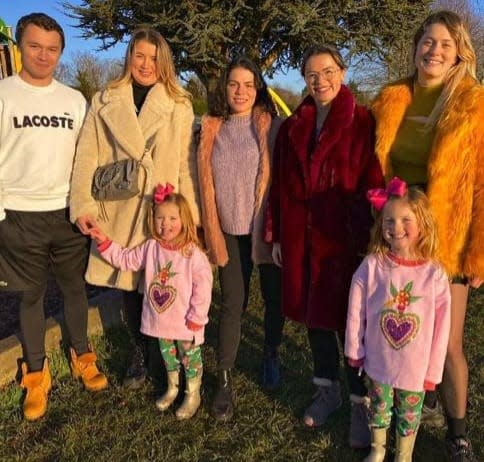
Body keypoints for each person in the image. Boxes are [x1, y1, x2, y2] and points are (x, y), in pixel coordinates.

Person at [371, 10, 483, 461]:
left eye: (445, 45)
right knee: (402, 330)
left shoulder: (473, 103)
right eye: (428, 42)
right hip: (397, 237)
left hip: (449, 238)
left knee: (450, 341)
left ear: (459, 54)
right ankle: (405, 412)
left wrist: (478, 253)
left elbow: (481, 183)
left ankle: (457, 434)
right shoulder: (392, 97)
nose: (434, 51)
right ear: (416, 46)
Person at [70, 27, 199, 389]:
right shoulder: (106, 99)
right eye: (139, 56)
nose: (146, 64)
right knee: (130, 286)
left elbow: (188, 163)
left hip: (165, 211)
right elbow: (86, 157)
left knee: (164, 283)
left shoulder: (179, 103)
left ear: (165, 62)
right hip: (120, 209)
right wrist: (82, 204)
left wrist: (193, 217)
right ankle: (140, 352)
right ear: (129, 57)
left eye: (154, 58)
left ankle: (164, 354)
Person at [269, 45, 384, 448]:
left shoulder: (363, 122)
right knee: (315, 321)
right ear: (304, 79)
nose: (321, 81)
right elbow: (279, 186)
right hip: (301, 240)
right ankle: (327, 389)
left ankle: (359, 401)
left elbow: (374, 181)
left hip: (343, 243)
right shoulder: (293, 126)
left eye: (328, 71)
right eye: (312, 74)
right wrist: (278, 234)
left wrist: (374, 237)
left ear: (343, 71)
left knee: (350, 326)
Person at [0, 13, 107, 421]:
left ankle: (83, 355)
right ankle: (36, 373)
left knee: (74, 289)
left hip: (66, 214)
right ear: (20, 47)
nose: (43, 56)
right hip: (18, 216)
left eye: (52, 48)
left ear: (60, 52)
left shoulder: (73, 101)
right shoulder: (5, 94)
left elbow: (86, 159)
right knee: (30, 296)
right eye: (34, 46)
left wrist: (85, 207)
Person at [197, 56, 284, 422]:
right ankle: (225, 377)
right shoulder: (209, 128)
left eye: (249, 85)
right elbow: (201, 179)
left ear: (258, 88)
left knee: (272, 298)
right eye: (234, 84)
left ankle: (271, 353)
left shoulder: (272, 127)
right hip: (228, 231)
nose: (241, 91)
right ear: (224, 87)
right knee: (233, 302)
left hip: (264, 230)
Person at [345, 178, 451, 462]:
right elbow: (356, 307)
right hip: (379, 360)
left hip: (415, 367)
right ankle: (378, 449)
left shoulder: (434, 275)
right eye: (389, 220)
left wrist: (433, 372)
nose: (396, 227)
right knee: (379, 404)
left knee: (409, 411)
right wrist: (355, 349)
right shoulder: (373, 265)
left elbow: (442, 330)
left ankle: (404, 456)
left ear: (423, 223)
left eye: (406, 219)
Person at [90, 184, 212, 419]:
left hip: (186, 324)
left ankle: (192, 393)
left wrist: (197, 317)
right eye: (160, 218)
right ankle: (173, 387)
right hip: (162, 322)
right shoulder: (151, 247)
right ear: (152, 220)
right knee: (168, 356)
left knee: (190, 358)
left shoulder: (192, 253)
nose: (166, 224)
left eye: (172, 218)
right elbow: (126, 260)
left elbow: (204, 287)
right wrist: (104, 242)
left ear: (183, 219)